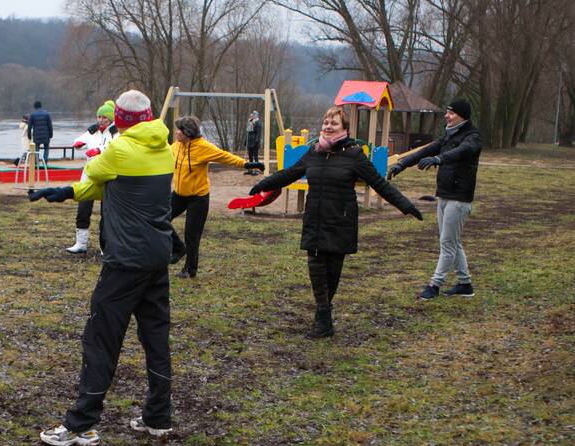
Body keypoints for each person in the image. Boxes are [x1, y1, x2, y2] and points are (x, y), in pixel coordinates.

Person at [28, 90, 174, 446]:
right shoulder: (166, 149)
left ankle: (81, 424)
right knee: (155, 337)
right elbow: (113, 189)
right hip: (157, 257)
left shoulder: (119, 150)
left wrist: (69, 187)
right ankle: (158, 416)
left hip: (124, 261)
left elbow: (95, 174)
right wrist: (64, 192)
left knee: (100, 339)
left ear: (120, 120)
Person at [250, 106, 423, 338]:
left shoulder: (353, 154)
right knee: (315, 262)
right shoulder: (314, 151)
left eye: (333, 123)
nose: (327, 126)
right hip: (315, 216)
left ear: (344, 128)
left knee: (333, 268)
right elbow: (289, 173)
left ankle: (324, 315)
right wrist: (264, 184)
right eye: (325, 122)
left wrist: (405, 205)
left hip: (340, 218)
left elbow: (378, 183)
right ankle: (323, 313)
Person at [387, 98, 482, 300]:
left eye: (451, 113)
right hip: (444, 195)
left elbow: (461, 152)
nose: (447, 116)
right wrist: (401, 165)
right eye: (447, 112)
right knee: (453, 242)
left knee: (447, 243)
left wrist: (439, 159)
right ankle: (465, 284)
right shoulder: (448, 136)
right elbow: (426, 150)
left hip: (459, 199)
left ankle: (434, 285)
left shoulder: (472, 137)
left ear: (463, 116)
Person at [170, 116, 265, 278]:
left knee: (192, 234)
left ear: (188, 133)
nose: (176, 132)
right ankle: (179, 248)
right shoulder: (175, 146)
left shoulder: (203, 147)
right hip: (178, 194)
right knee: (159, 219)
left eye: (179, 129)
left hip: (198, 197)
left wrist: (247, 164)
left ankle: (190, 270)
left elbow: (225, 156)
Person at [65, 100, 117, 254]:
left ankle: (105, 245)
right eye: (99, 117)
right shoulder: (92, 131)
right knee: (83, 208)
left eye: (104, 118)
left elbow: (114, 147)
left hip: (106, 175)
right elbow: (78, 140)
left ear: (111, 119)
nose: (101, 120)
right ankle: (81, 243)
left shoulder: (117, 133)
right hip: (89, 175)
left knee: (106, 212)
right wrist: (79, 143)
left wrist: (99, 150)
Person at [27, 100, 54, 165]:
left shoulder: (32, 115)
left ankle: (36, 163)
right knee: (46, 148)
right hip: (46, 135)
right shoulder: (47, 114)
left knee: (36, 149)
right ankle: (45, 162)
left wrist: (29, 135)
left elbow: (29, 126)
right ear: (41, 106)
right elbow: (50, 125)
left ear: (34, 107)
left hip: (36, 136)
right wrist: (51, 135)